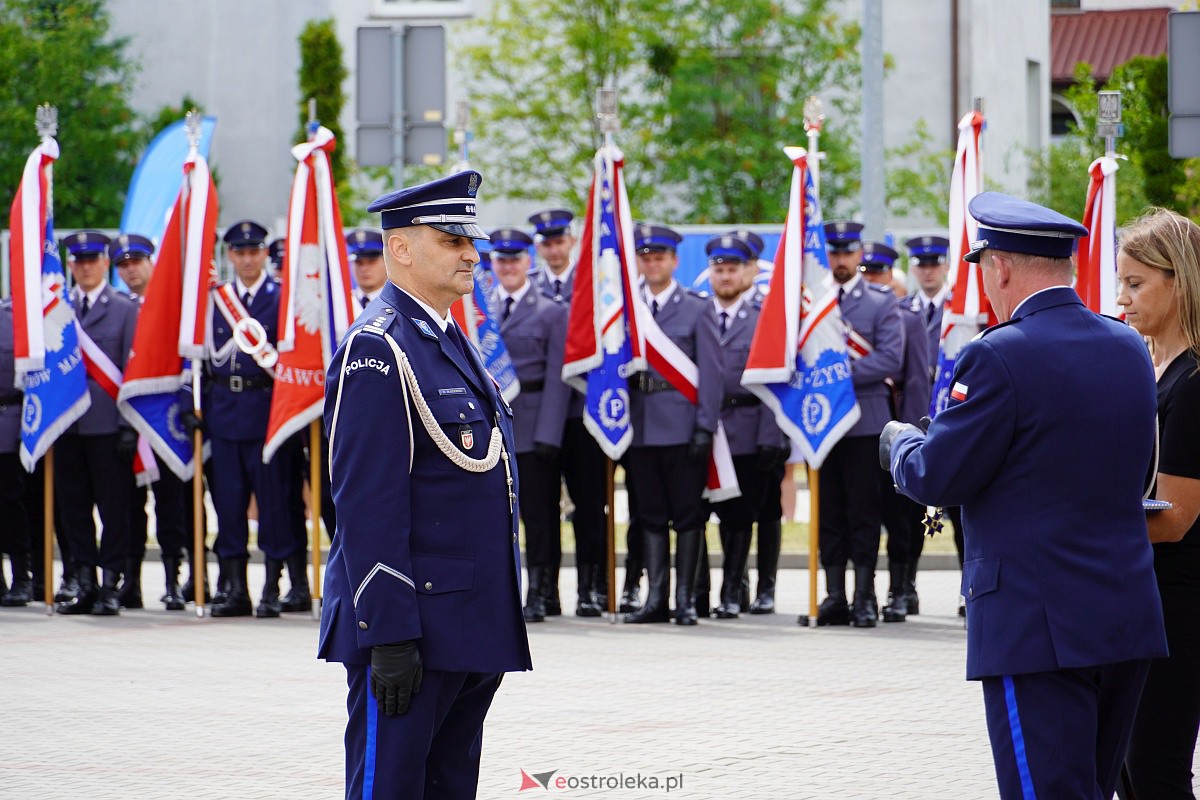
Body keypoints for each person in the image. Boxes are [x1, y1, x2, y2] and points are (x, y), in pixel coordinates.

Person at [882, 192, 1167, 799]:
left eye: (983, 268)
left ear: (1001, 267)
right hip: (1123, 612)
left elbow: (938, 476)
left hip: (1036, 623)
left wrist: (900, 445)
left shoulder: (996, 354)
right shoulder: (1126, 347)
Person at [321, 170, 531, 799]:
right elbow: (366, 502)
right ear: (401, 250)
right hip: (413, 627)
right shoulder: (379, 349)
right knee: (391, 788)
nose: (472, 253)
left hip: (468, 620)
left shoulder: (446, 339)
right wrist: (386, 632)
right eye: (450, 240)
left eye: (471, 240)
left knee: (448, 787)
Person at [1117, 209, 1200, 797]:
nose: (1122, 297)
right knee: (1129, 768)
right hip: (1144, 596)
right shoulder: (1153, 368)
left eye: (1136, 283)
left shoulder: (1194, 382)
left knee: (1154, 769)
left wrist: (1077, 530)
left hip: (1180, 601)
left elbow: (1173, 518)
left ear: (1180, 280)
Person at [203, 220, 305, 618]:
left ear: (265, 254)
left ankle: (272, 586)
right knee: (228, 505)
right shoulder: (216, 300)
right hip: (223, 410)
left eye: (254, 251)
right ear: (229, 255)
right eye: (239, 252)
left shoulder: (280, 298)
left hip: (267, 411)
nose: (247, 259)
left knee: (274, 502)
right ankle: (235, 589)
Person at [622, 223, 721, 626]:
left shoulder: (698, 307)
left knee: (687, 516)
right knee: (648, 515)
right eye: (646, 257)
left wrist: (705, 427)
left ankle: (685, 601)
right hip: (641, 428)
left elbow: (712, 373)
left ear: (674, 261)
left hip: (683, 427)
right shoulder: (627, 310)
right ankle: (655, 600)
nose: (653, 263)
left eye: (659, 256)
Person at [813, 221, 902, 628]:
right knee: (828, 511)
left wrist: (835, 371)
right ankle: (834, 595)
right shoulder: (810, 301)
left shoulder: (880, 302)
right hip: (821, 422)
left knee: (864, 513)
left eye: (848, 252)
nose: (841, 260)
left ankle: (865, 596)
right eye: (833, 252)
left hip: (866, 422)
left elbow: (889, 360)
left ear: (859, 256)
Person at [488, 227, 574, 620]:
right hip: (491, 430)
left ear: (529, 262)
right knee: (494, 518)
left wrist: (549, 434)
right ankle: (504, 593)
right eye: (501, 260)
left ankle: (543, 592)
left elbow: (558, 378)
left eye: (515, 259)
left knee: (540, 518)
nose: (508, 267)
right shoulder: (479, 311)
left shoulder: (552, 311)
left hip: (534, 424)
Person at [702, 233, 788, 619]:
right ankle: (733, 588)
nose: (725, 276)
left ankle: (766, 588)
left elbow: (777, 379)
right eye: (718, 269)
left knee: (764, 509)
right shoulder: (699, 314)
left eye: (733, 268)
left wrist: (773, 434)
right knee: (728, 510)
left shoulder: (765, 318)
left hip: (755, 426)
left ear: (751, 271)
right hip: (713, 426)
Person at [528, 207, 607, 618]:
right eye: (546, 242)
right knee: (541, 506)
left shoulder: (592, 286)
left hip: (582, 414)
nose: (554, 249)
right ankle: (548, 592)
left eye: (560, 241)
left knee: (589, 504)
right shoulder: (528, 286)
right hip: (539, 413)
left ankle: (592, 588)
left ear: (572, 242)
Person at [55, 231, 140, 616]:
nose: (85, 267)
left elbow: (132, 370)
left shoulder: (124, 309)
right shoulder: (58, 310)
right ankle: (84, 581)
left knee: (113, 509)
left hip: (109, 428)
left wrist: (128, 425)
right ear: (71, 266)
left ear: (106, 263)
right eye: (79, 261)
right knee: (74, 508)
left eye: (92, 260)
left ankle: (110, 583)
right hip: (69, 426)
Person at [111, 233, 191, 611]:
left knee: (172, 505)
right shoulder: (118, 308)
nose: (130, 270)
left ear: (151, 262)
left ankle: (176, 578)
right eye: (123, 265)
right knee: (128, 506)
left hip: (167, 421)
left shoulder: (173, 308)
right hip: (128, 424)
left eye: (136, 262)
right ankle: (131, 580)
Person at [859, 241, 929, 622]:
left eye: (879, 272)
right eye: (866, 273)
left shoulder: (907, 318)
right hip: (863, 431)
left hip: (896, 427)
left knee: (903, 516)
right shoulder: (847, 315)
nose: (872, 279)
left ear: (891, 276)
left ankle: (903, 588)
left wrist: (913, 432)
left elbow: (916, 378)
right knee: (871, 513)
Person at [902, 234, 952, 614]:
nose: (928, 270)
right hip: (919, 415)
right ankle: (907, 585)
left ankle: (968, 590)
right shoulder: (903, 310)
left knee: (963, 512)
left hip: (955, 415)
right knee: (912, 512)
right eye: (921, 264)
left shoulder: (960, 311)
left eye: (935, 263)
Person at [348, 228, 387, 312]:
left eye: (371, 262)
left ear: (386, 262)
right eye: (359, 263)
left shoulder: (397, 302)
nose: (364, 269)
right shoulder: (343, 303)